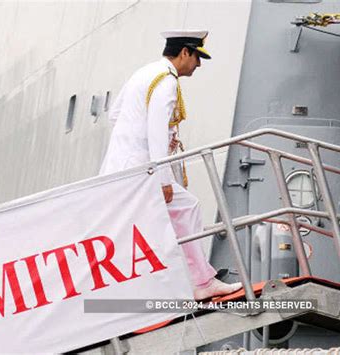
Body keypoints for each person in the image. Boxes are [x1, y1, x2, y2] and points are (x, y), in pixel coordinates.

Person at [100, 30, 242, 300]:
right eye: (197, 57)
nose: (198, 65)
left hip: (122, 163)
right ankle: (200, 282)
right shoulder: (166, 81)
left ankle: (171, 282)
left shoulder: (145, 72)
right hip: (142, 169)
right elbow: (155, 131)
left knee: (132, 224)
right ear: (185, 52)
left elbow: (115, 114)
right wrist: (163, 180)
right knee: (187, 207)